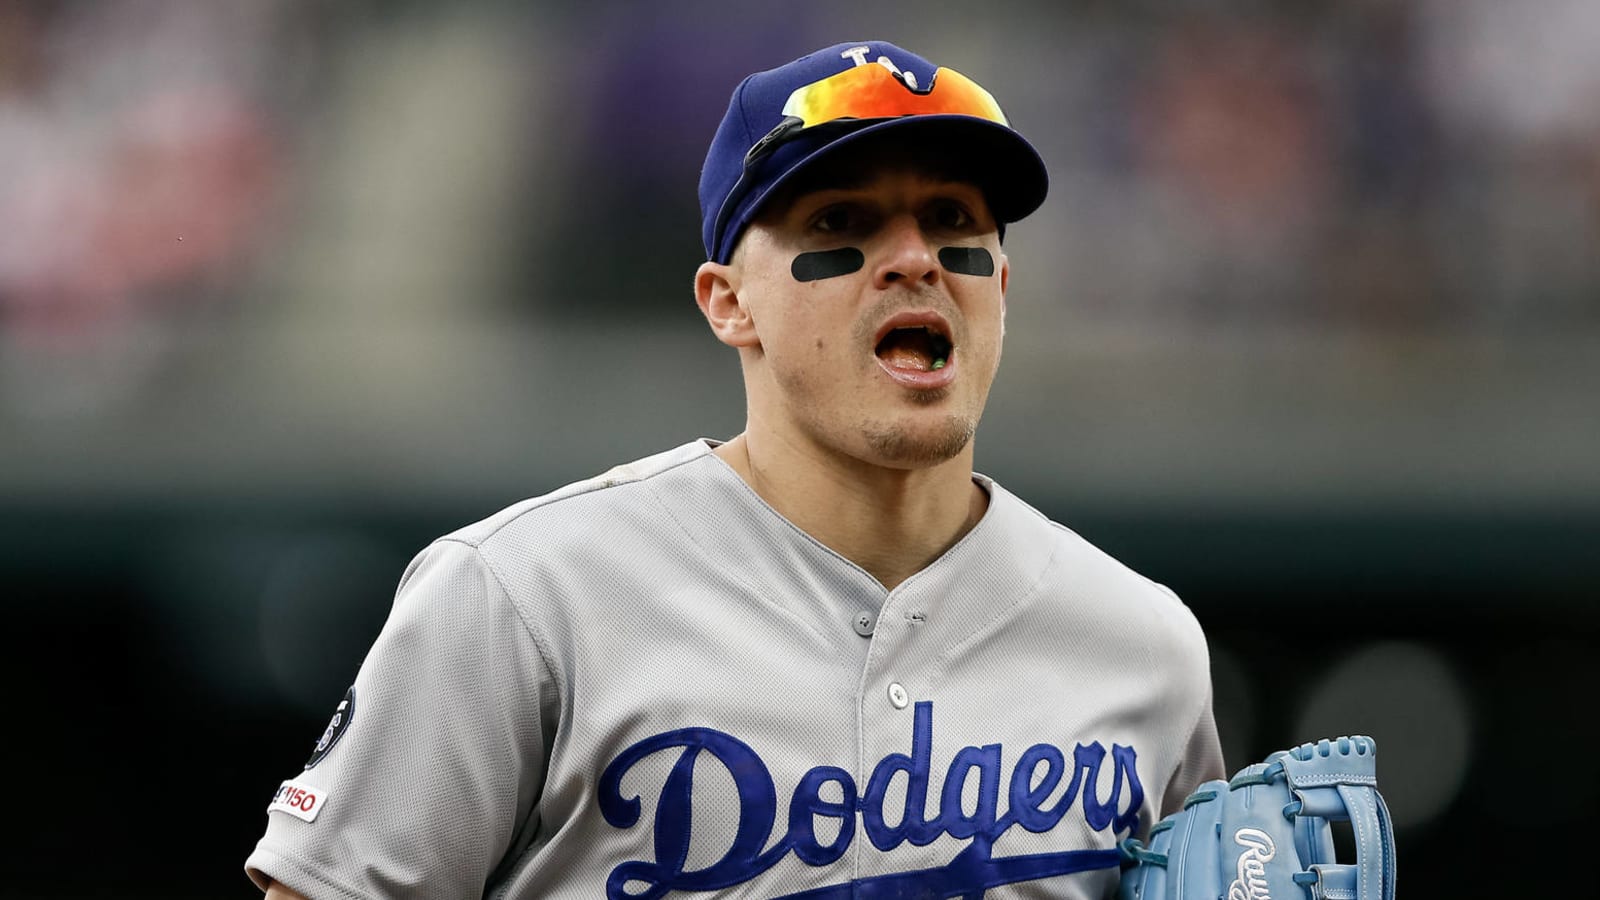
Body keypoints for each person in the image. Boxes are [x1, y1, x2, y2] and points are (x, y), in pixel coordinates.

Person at [245, 40, 1225, 899]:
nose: (914, 259)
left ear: (999, 289)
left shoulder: (1142, 643)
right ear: (728, 302)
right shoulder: (522, 597)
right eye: (840, 224)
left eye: (952, 221)